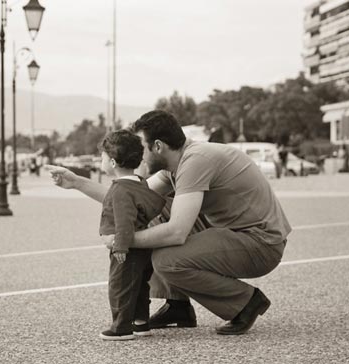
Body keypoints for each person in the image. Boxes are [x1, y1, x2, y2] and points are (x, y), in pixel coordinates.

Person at [47, 110, 291, 336]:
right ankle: (178, 307)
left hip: (261, 242)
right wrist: (77, 183)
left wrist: (122, 240)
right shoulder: (174, 165)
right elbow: (125, 201)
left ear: (158, 146)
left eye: (140, 147)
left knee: (166, 261)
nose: (137, 154)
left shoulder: (196, 161)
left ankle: (246, 302)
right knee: (146, 213)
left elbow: (176, 233)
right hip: (233, 234)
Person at [96, 130, 165, 340]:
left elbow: (124, 221)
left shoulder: (120, 189)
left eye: (103, 157)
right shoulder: (140, 183)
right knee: (140, 285)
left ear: (113, 162)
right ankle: (141, 323)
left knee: (120, 286)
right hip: (143, 249)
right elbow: (156, 203)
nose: (101, 160)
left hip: (127, 249)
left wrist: (120, 247)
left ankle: (121, 327)